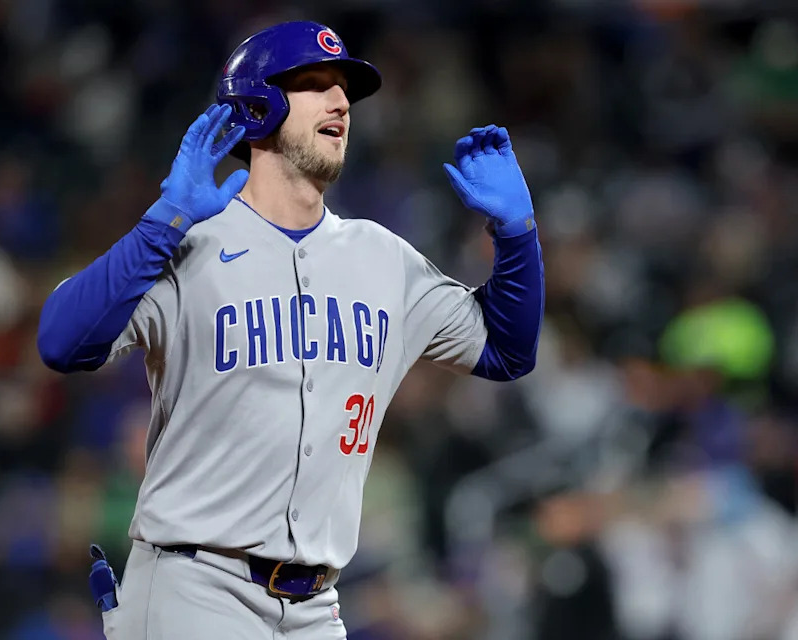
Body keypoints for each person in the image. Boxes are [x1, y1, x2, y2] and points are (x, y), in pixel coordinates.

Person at [37, 19, 544, 640]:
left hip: (317, 606)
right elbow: (61, 342)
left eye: (344, 90)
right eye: (314, 83)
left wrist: (516, 237)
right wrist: (161, 222)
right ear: (257, 106)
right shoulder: (189, 244)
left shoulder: (383, 257)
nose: (340, 102)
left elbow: (506, 350)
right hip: (194, 588)